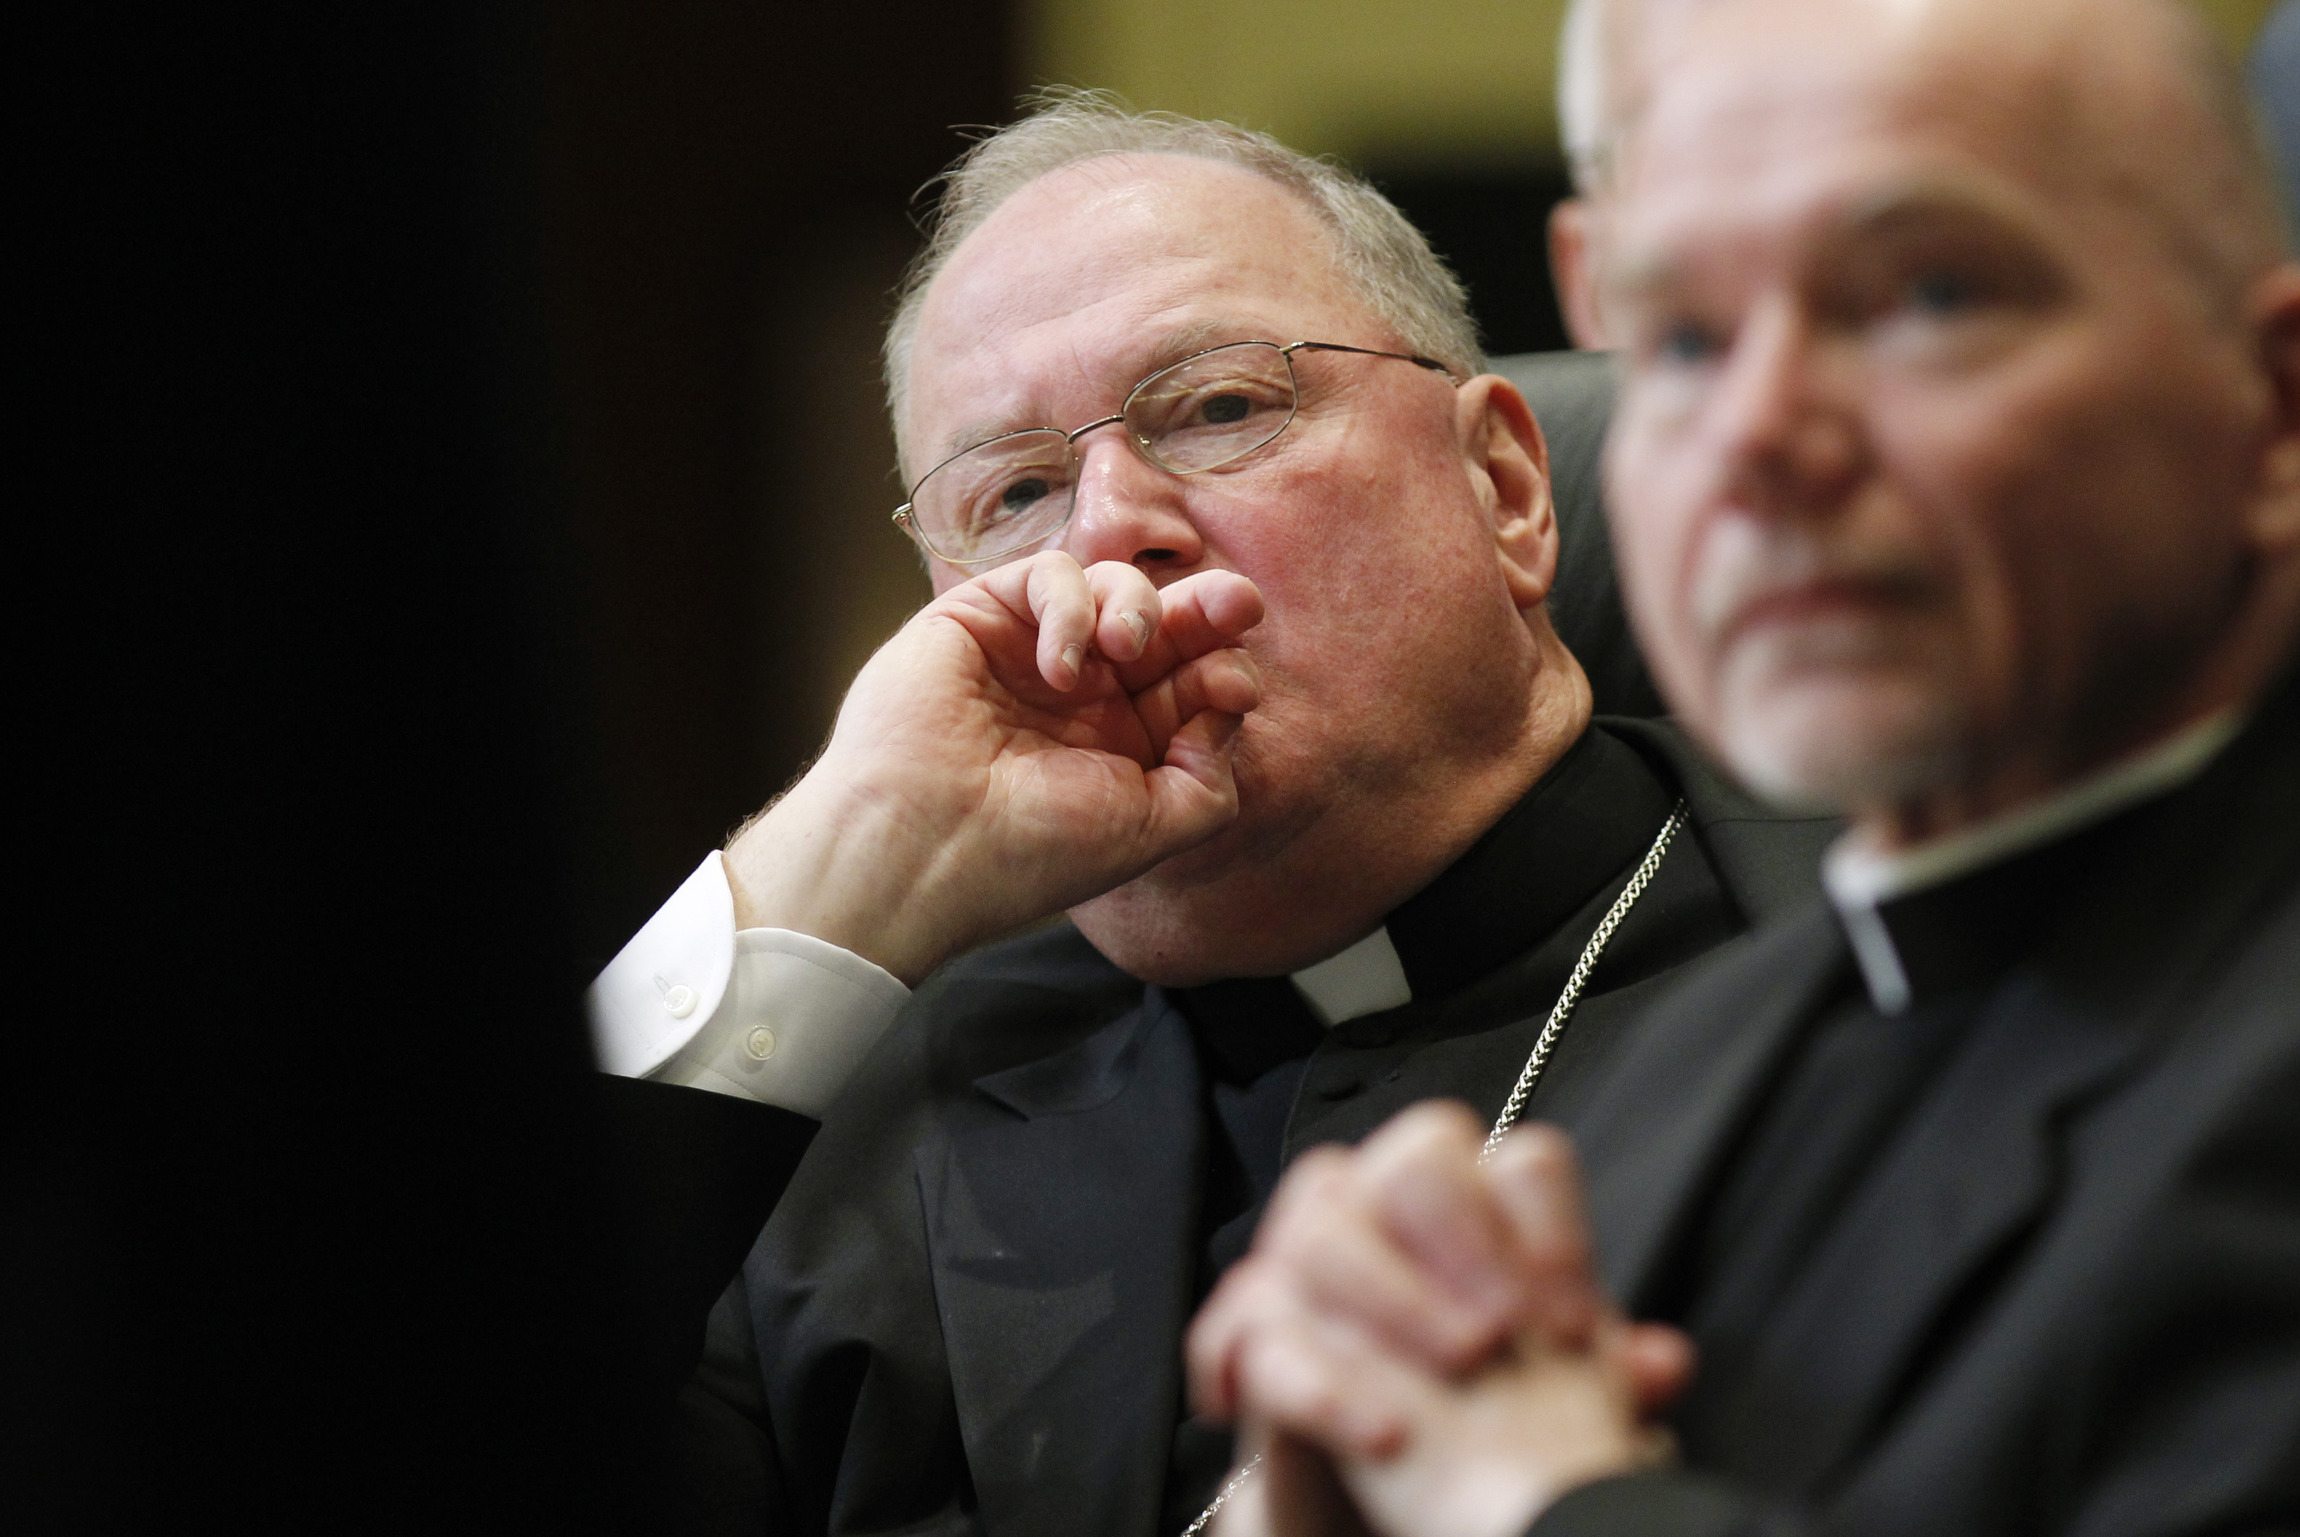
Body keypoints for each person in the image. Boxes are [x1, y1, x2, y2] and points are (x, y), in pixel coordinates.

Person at [583, 97, 1838, 1534]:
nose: (1109, 529)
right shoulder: (825, 1139)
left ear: (1501, 488)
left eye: (1223, 406)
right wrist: (837, 858)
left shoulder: (1907, 956)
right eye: (1014, 494)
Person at [1185, 1, 2300, 1534]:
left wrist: (1539, 1504)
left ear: (2277, 403)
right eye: (1689, 337)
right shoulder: (1699, 1055)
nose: (1757, 433)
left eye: (1929, 292)